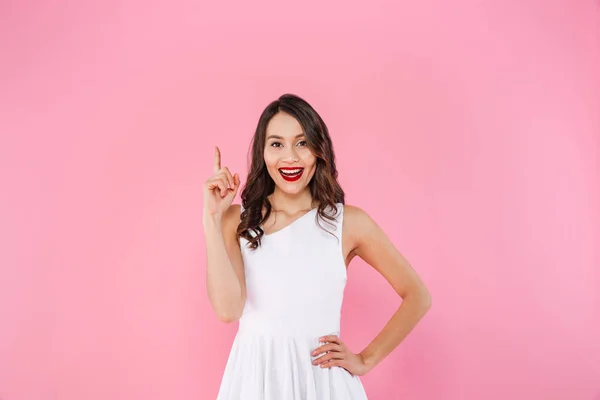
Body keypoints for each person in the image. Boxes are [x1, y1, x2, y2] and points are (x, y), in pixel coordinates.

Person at [203, 93, 432, 399]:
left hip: (323, 385)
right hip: (254, 381)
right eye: (277, 144)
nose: (291, 158)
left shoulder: (348, 222)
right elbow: (228, 310)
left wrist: (365, 359)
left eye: (302, 143)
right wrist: (211, 218)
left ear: (318, 149)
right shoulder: (238, 220)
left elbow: (418, 296)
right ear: (262, 153)